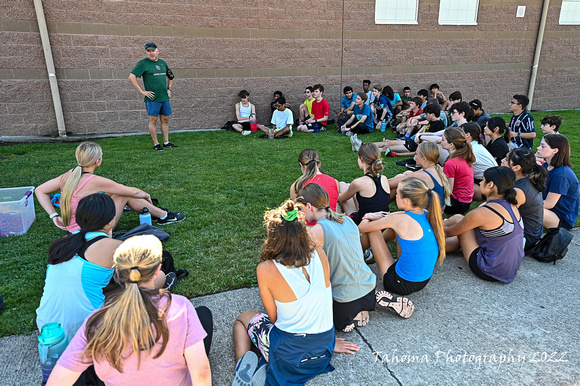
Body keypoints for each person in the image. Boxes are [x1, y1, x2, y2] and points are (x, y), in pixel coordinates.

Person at [46, 235, 212, 385]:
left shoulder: (97, 321)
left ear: (117, 271)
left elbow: (58, 380)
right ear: (157, 270)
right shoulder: (180, 307)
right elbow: (201, 373)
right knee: (203, 315)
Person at [232, 201, 359, 386]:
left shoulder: (266, 269)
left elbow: (275, 319)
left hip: (290, 359)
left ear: (273, 236)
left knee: (243, 319)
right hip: (323, 351)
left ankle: (242, 368)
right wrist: (328, 343)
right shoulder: (320, 254)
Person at [36, 142, 185, 233]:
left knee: (111, 194)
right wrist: (145, 195)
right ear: (98, 161)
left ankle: (156, 213)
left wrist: (53, 215)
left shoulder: (68, 175)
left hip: (74, 229)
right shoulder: (95, 181)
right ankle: (163, 216)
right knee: (123, 195)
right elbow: (131, 191)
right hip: (92, 232)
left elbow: (39, 190)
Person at [297, 183, 377, 332]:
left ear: (309, 206)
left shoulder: (316, 232)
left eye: (300, 209)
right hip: (369, 289)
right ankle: (367, 305)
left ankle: (350, 319)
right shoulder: (347, 220)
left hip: (344, 301)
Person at [358, 177, 445, 304]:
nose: (395, 195)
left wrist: (368, 216)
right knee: (392, 228)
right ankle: (371, 249)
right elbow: (394, 216)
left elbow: (362, 227)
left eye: (397, 194)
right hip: (422, 282)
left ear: (405, 201)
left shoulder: (400, 221)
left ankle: (356, 254)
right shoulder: (426, 213)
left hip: (398, 283)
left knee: (372, 230)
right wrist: (382, 216)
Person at [444, 167, 524, 283]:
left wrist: (435, 225)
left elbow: (450, 232)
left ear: (490, 184)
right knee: (460, 220)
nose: (480, 183)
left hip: (489, 269)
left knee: (459, 221)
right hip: (508, 270)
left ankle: (426, 245)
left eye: (482, 180)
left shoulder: (483, 213)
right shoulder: (511, 204)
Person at [129, 42, 177, 151]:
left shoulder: (163, 63)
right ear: (146, 52)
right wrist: (142, 91)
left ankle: (166, 142)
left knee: (165, 119)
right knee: (153, 120)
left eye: (153, 51)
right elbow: (131, 77)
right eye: (149, 51)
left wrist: (169, 89)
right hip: (152, 98)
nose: (151, 53)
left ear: (157, 51)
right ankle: (156, 144)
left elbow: (170, 76)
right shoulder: (142, 64)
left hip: (164, 97)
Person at [502, 148, 547, 252]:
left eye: (506, 159)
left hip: (524, 240)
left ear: (517, 168)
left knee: (469, 233)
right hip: (526, 234)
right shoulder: (524, 180)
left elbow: (500, 215)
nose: (502, 160)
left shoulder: (519, 191)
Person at [338, 143, 390, 231]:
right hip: (383, 224)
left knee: (343, 186)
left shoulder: (358, 182)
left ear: (361, 159)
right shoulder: (384, 179)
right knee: (349, 188)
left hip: (364, 224)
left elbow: (342, 199)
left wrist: (337, 193)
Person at [387, 142, 451, 209]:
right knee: (406, 173)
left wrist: (382, 180)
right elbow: (409, 175)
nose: (414, 157)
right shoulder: (435, 169)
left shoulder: (422, 175)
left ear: (424, 159)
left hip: (428, 215)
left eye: (416, 154)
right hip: (438, 211)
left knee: (398, 185)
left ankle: (381, 206)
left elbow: (390, 184)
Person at [536, 134, 580, 230]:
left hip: (562, 219)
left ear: (555, 151)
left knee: (528, 209)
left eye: (543, 146)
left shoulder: (561, 174)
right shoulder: (546, 166)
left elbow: (548, 204)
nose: (538, 148)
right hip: (550, 211)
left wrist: (525, 203)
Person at [442, 127, 475, 215]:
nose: (441, 142)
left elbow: (449, 190)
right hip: (466, 202)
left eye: (443, 140)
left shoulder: (451, 163)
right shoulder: (464, 156)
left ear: (451, 144)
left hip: (456, 204)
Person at [463, 123, 497, 201]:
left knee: (460, 183)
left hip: (489, 187)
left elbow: (460, 171)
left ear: (467, 135)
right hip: (491, 182)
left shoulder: (470, 149)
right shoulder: (475, 145)